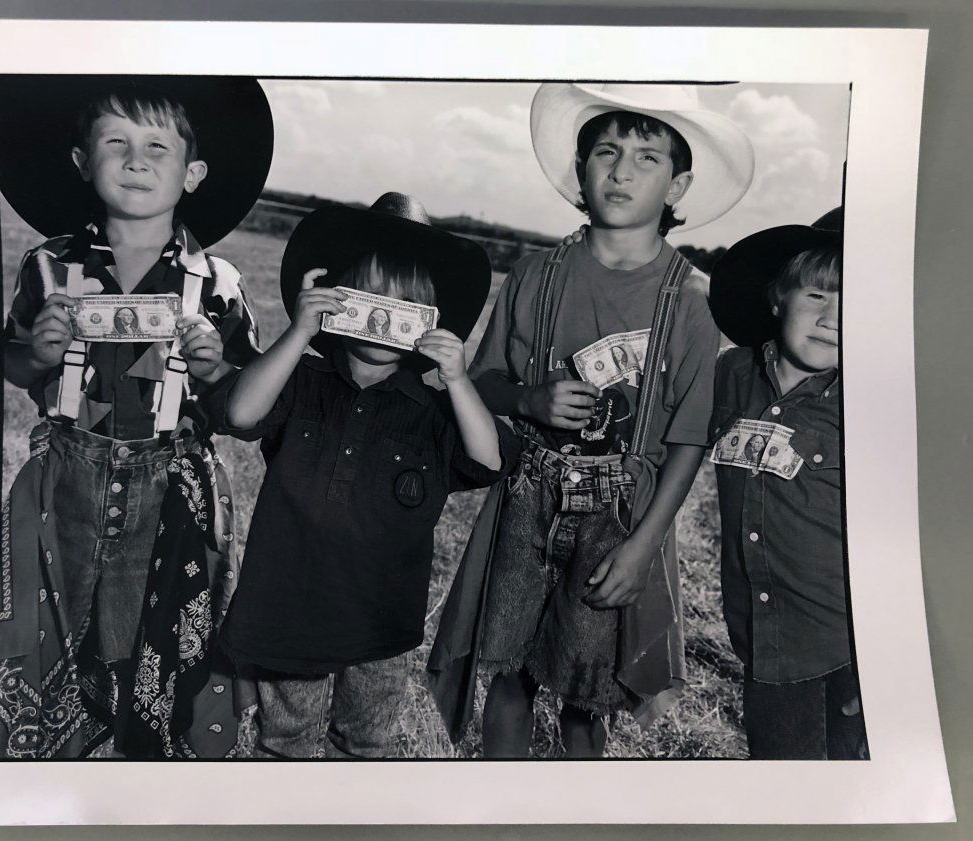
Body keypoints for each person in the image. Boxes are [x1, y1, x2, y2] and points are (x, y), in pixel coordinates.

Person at [429, 83, 754, 757]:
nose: (622, 170)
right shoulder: (536, 275)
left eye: (646, 156)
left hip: (623, 516)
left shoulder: (691, 300)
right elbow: (485, 379)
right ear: (580, 170)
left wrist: (641, 549)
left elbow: (689, 439)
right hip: (528, 498)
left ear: (677, 184)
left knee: (588, 691)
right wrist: (528, 401)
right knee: (508, 674)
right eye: (606, 151)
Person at [0, 76, 273, 759]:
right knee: (50, 631)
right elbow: (14, 365)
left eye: (157, 146)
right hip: (65, 482)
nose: (136, 159)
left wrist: (216, 372)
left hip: (170, 495)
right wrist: (36, 351)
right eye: (116, 142)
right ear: (84, 160)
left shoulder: (218, 283)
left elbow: (245, 411)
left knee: (151, 646)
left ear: (193, 172)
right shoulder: (49, 266)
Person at [205, 192, 516, 758]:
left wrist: (458, 381)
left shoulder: (435, 408)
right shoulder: (300, 380)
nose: (380, 314)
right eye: (366, 295)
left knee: (366, 745)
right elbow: (239, 413)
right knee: (284, 743)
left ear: (430, 318)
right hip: (289, 607)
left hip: (382, 621)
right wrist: (299, 332)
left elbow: (490, 460)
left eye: (403, 304)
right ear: (334, 301)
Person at [708, 209, 868, 760]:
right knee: (782, 782)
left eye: (855, 301)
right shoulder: (731, 376)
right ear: (778, 297)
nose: (833, 317)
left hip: (852, 648)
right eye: (818, 296)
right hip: (764, 638)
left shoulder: (875, 403)